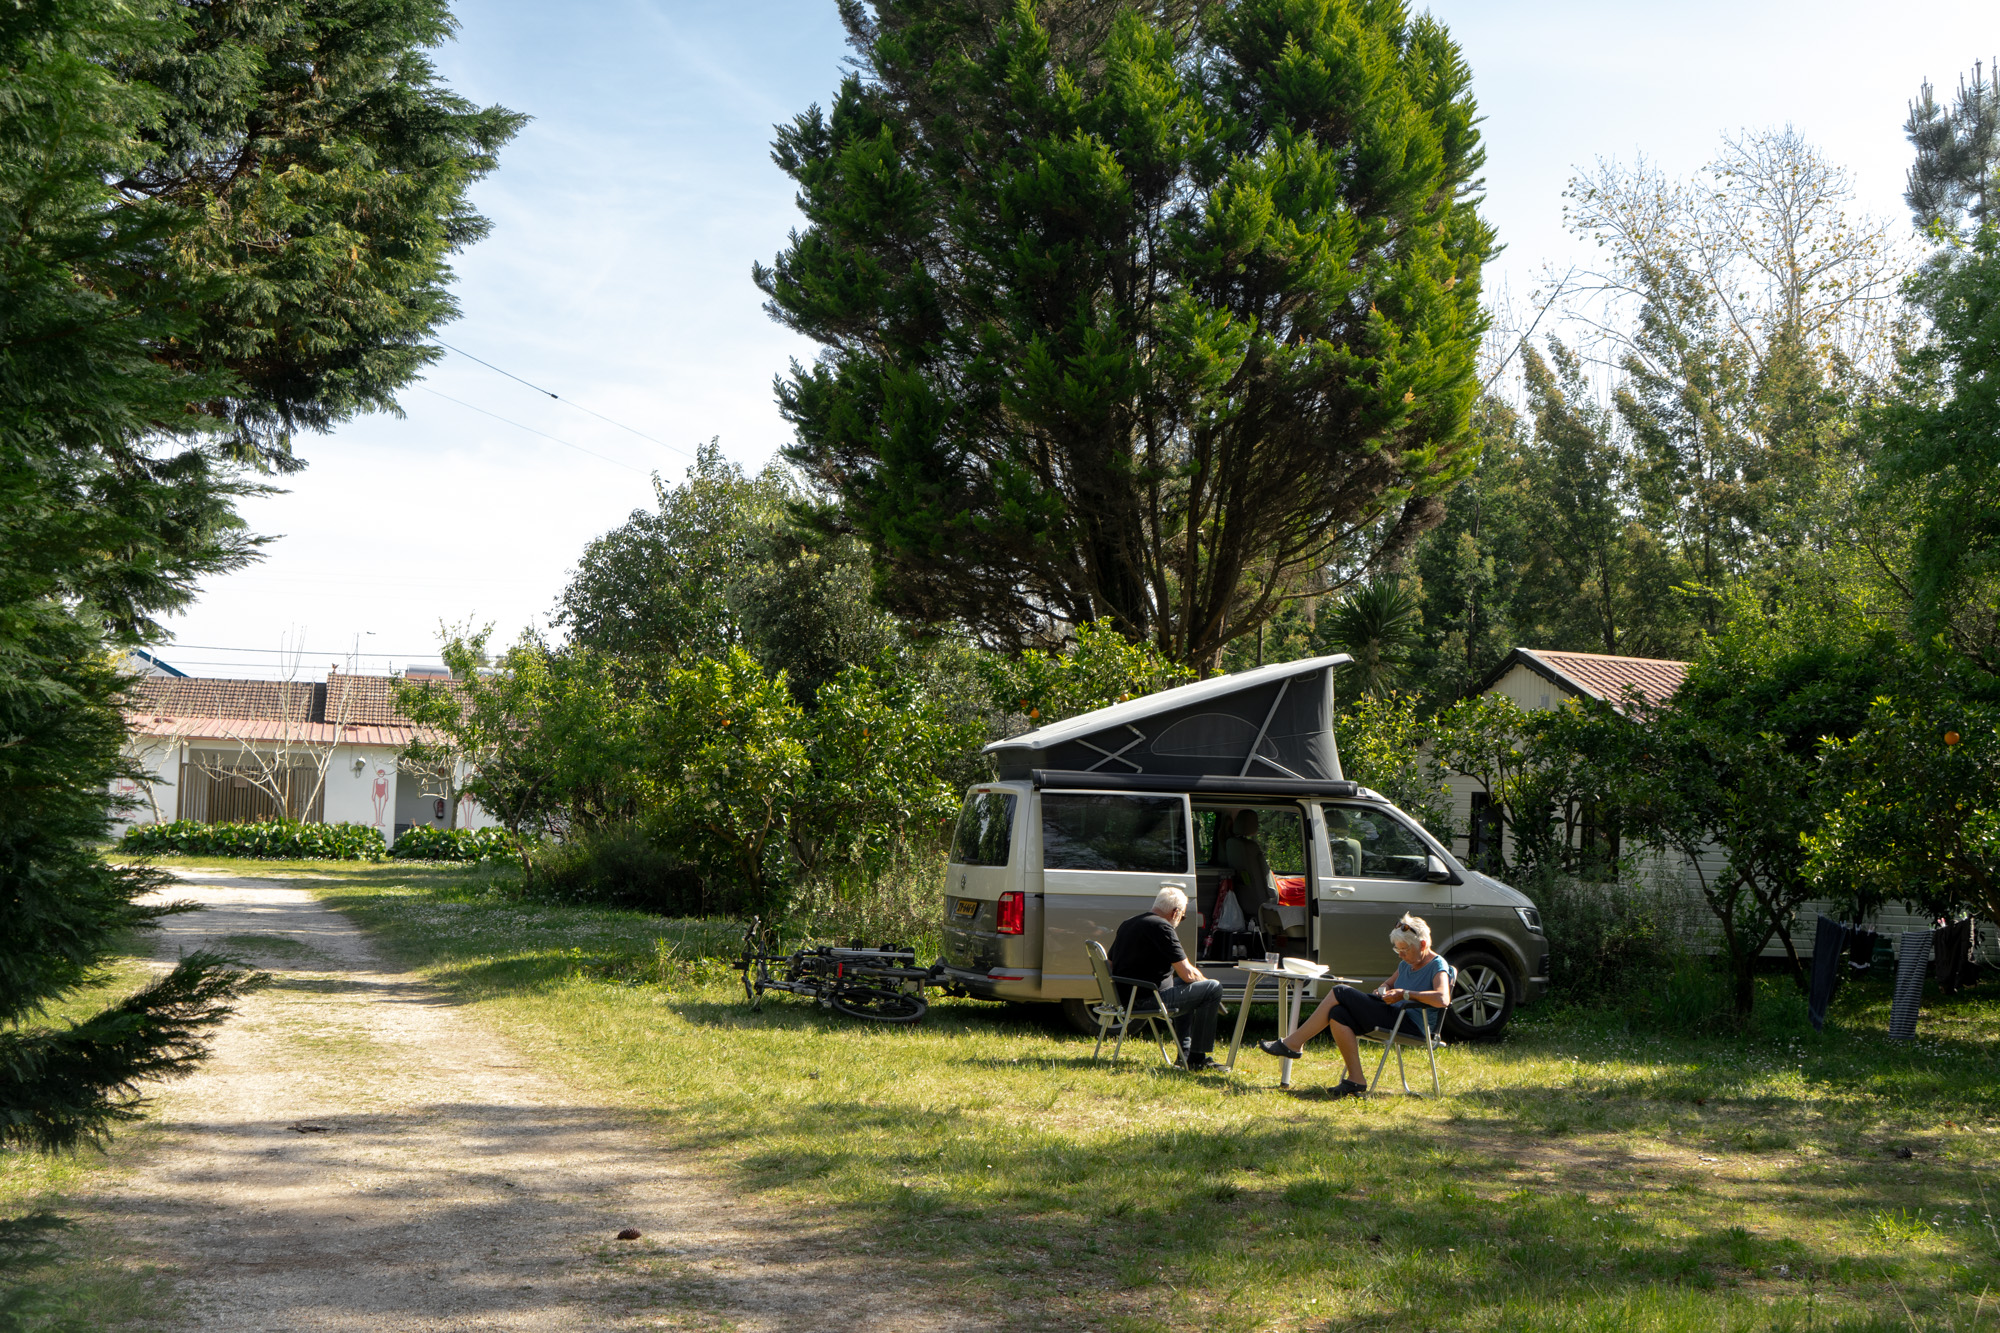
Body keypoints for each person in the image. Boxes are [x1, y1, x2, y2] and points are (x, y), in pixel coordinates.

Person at [1257, 913, 1451, 1098]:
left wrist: (1405, 994)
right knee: (1338, 1013)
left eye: (1404, 949)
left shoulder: (1437, 965)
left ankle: (1294, 1043)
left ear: (1423, 944)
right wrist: (1382, 989)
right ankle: (1356, 1079)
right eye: (1397, 949)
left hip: (1413, 1024)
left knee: (1340, 990)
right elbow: (1389, 984)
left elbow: (1443, 998)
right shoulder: (1406, 965)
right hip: (1394, 1015)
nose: (1400, 954)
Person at [1107, 886, 1226, 1071]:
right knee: (1213, 988)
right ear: (1176, 912)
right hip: (1147, 998)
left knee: (1188, 986)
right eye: (1183, 917)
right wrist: (1204, 983)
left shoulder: (1129, 923)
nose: (1180, 920)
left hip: (1126, 996)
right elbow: (1187, 973)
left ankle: (1186, 1054)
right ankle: (1197, 1057)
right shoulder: (1162, 926)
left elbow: (1110, 963)